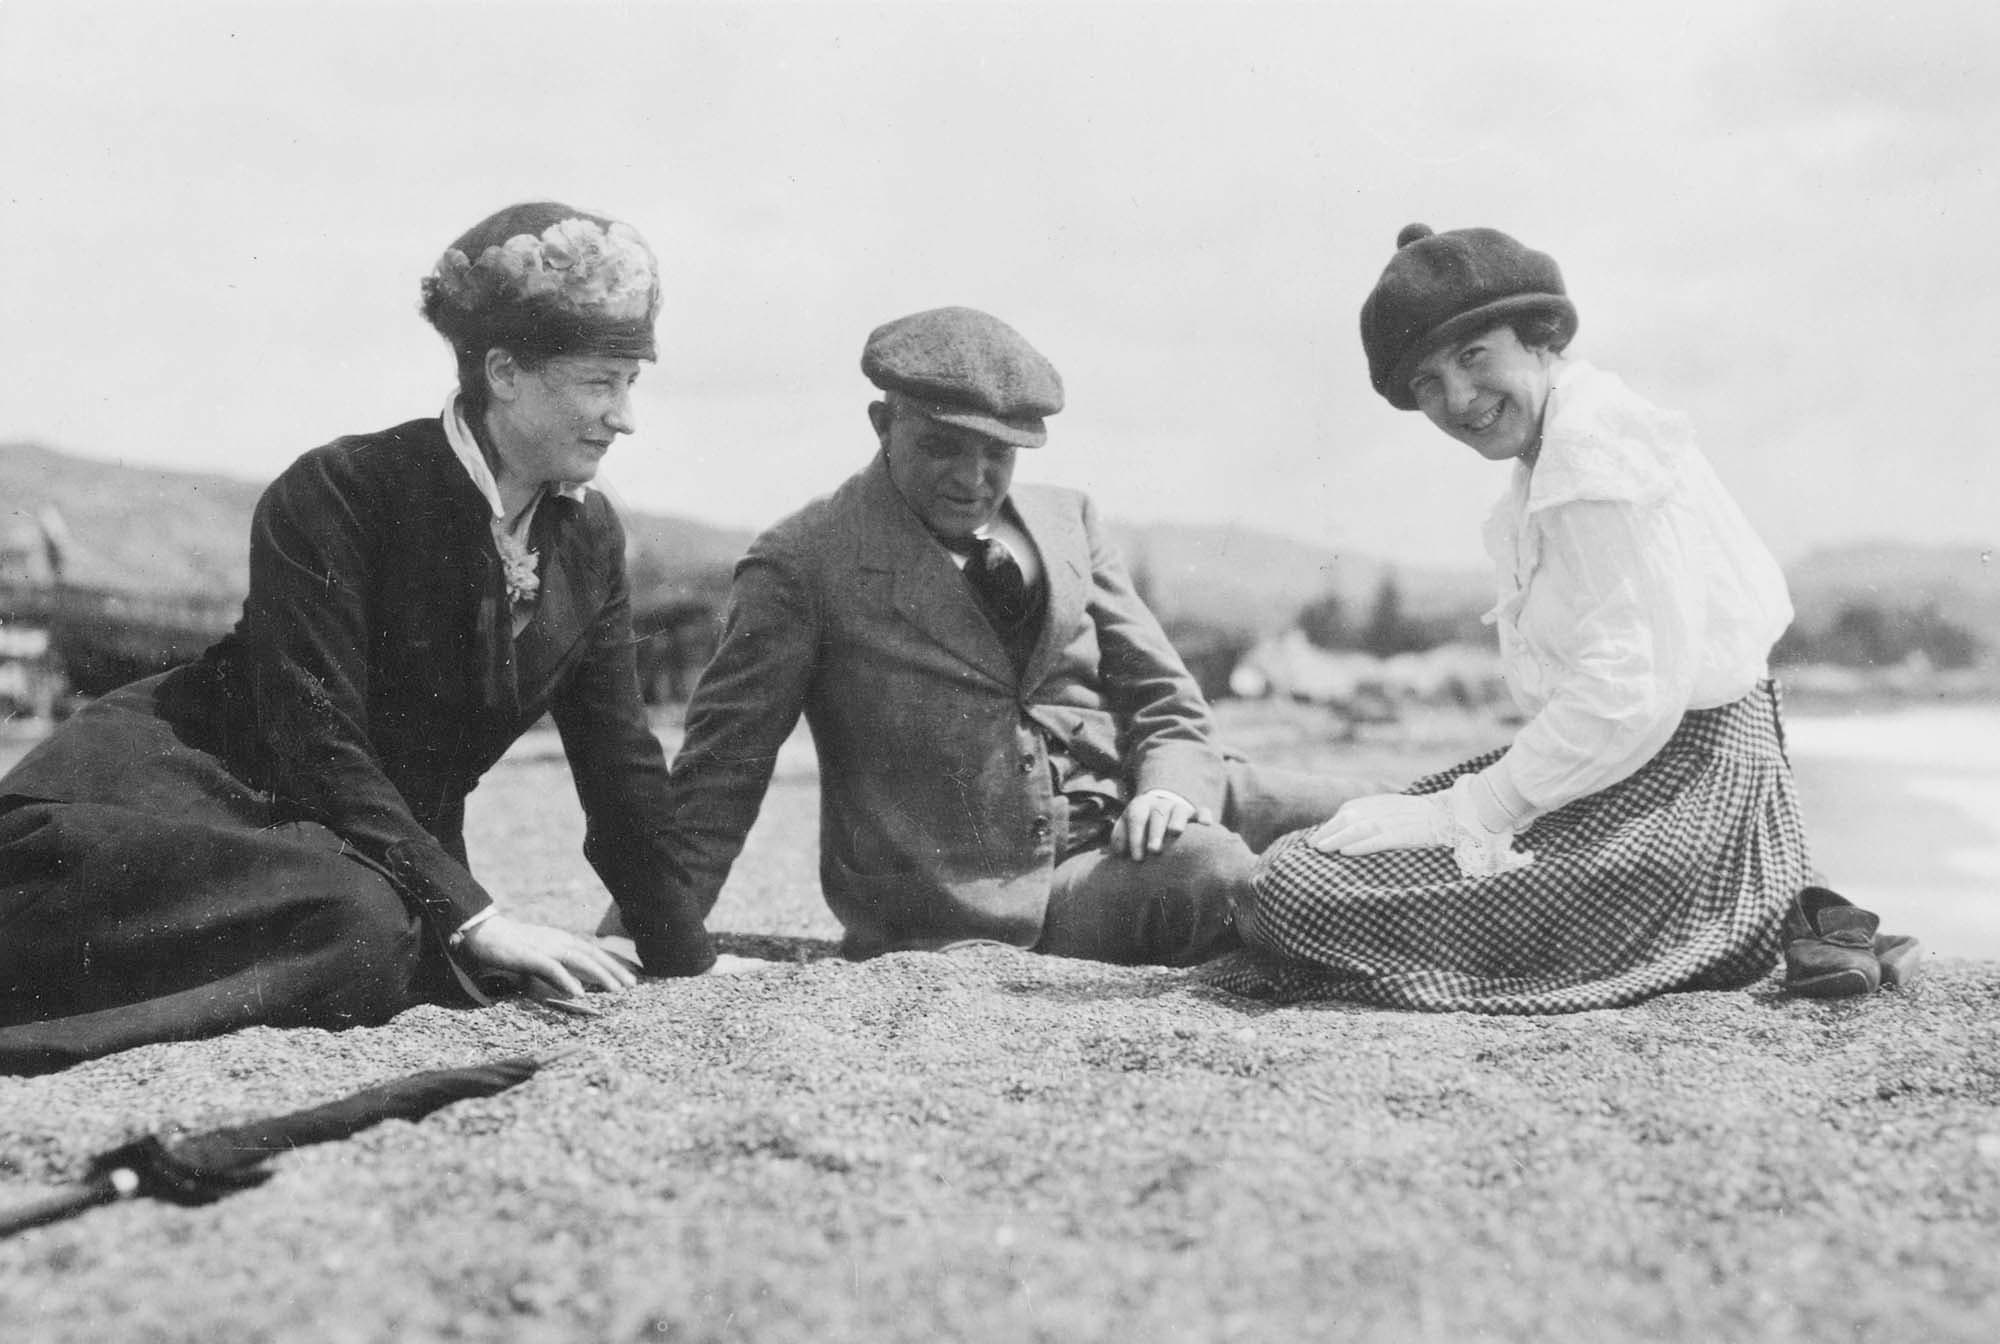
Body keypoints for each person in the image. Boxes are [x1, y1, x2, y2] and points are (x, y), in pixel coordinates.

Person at [0, 202, 716, 1074]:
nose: (625, 417)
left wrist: (689, 959)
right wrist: (477, 917)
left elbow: (619, 761)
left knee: (383, 929)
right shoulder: (342, 490)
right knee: (365, 929)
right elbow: (318, 740)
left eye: (631, 384)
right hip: (132, 821)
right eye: (602, 383)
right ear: (506, 373)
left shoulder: (589, 535)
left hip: (334, 852)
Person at [1218, 223, 1902, 1012]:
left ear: (1538, 338)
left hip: (1687, 810)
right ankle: (1803, 910)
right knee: (1317, 855)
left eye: (1474, 357)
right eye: (1429, 384)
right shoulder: (1560, 448)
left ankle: (1751, 916)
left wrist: (1462, 810)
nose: (1459, 400)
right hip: (1645, 775)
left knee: (1294, 893)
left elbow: (1627, 695)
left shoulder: (1594, 457)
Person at [600, 306, 1369, 966]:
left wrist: (1171, 787)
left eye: (997, 453)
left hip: (1153, 801)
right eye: (941, 445)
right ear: (882, 424)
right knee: (1224, 878)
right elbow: (721, 771)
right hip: (997, 894)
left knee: (1383, 818)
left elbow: (1165, 698)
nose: (972, 478)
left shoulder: (1070, 523)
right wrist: (643, 933)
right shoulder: (803, 563)